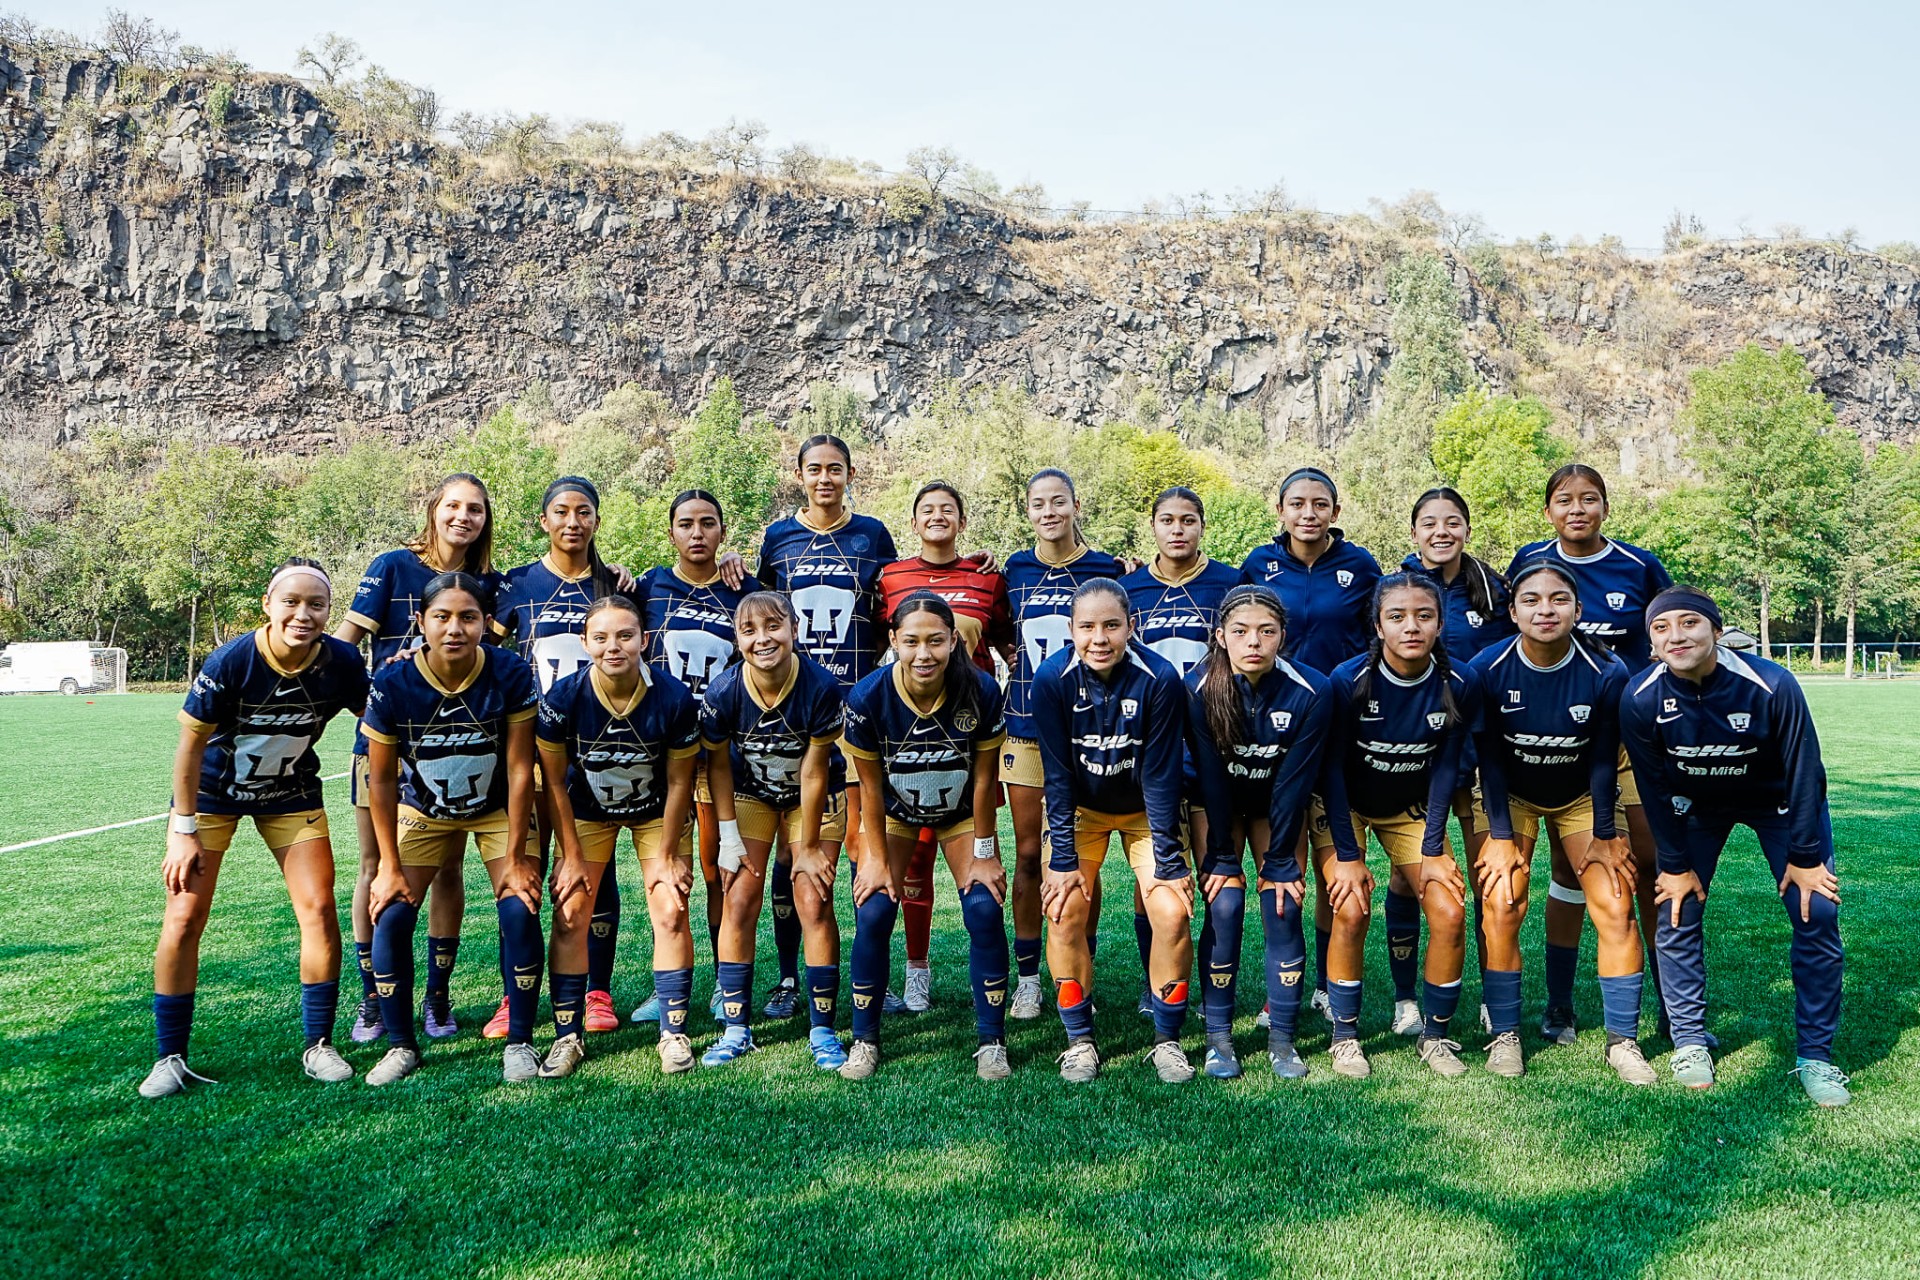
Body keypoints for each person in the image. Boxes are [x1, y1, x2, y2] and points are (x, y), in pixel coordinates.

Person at [140, 560, 370, 1098]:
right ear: (268, 605)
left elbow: (378, 715)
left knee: (318, 909)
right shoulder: (233, 659)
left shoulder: (340, 661)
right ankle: (169, 1057)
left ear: (329, 611)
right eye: (291, 602)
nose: (303, 614)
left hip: (289, 795)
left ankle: (319, 1045)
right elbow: (190, 747)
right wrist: (181, 829)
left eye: (316, 604)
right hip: (212, 796)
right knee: (184, 916)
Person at [1621, 586, 1850, 1106]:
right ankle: (1689, 1042)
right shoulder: (1639, 696)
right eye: (1661, 628)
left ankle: (1816, 1056)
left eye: (1690, 623)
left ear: (1717, 632)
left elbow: (1805, 771)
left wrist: (1805, 857)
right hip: (1697, 808)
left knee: (1815, 909)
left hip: (1778, 804)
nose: (1676, 636)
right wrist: (1673, 864)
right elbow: (1652, 788)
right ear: (1651, 641)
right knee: (1676, 907)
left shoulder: (1772, 683)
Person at [1467, 560, 1653, 1084]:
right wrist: (1500, 837)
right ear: (1512, 611)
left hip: (1581, 794)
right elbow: (1490, 760)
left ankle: (1623, 1041)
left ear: (1578, 609)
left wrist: (1605, 833)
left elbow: (1603, 758)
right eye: (1531, 600)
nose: (1544, 610)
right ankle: (1506, 1034)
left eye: (1558, 600)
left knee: (1616, 902)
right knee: (1502, 899)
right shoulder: (1486, 667)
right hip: (1509, 795)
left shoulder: (1607, 670)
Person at [1510, 464, 1674, 1045]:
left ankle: (1671, 1003)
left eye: (1589, 499)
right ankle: (1559, 1006)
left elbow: (1668, 630)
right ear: (1548, 510)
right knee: (1567, 871)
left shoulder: (1638, 565)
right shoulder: (1530, 560)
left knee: (1644, 865)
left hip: (1627, 738)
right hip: (1559, 738)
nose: (1576, 509)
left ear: (1606, 506)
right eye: (1564, 499)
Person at [335, 474, 498, 1045]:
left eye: (475, 509)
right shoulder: (392, 566)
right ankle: (374, 997)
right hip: (384, 751)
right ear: (433, 510)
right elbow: (342, 647)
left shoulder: (487, 583)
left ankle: (437, 995)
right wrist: (373, 706)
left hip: (452, 751)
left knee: (449, 869)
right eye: (453, 505)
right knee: (375, 867)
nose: (463, 517)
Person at [361, 572, 542, 1086]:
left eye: (468, 617)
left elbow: (519, 769)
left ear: (486, 623)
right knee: (392, 914)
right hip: (423, 810)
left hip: (497, 808)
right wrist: (388, 867)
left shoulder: (510, 671)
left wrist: (515, 857)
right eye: (442, 616)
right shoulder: (393, 681)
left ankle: (520, 1042)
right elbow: (381, 780)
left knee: (519, 906)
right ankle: (401, 1046)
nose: (455, 628)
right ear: (421, 622)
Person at [840, 592, 1012, 1080]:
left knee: (983, 906)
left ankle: (992, 1041)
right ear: (893, 640)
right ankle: (864, 1040)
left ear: (953, 641)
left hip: (960, 813)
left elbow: (985, 779)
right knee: (874, 909)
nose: (924, 653)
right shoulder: (867, 697)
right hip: (894, 813)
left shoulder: (980, 689)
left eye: (935, 641)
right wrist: (875, 859)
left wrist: (984, 853)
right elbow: (869, 789)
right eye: (912, 641)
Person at [754, 434, 897, 1018]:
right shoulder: (777, 538)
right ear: (799, 475)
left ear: (850, 474)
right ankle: (791, 977)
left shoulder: (873, 535)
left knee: (864, 845)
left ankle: (871, 974)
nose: (824, 479)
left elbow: (894, 605)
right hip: (793, 712)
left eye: (835, 469)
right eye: (814, 469)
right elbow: (759, 612)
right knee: (791, 852)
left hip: (855, 712)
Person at [1315, 572, 1479, 1080]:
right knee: (1351, 906)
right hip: (1344, 806)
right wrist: (1348, 855)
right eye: (1397, 616)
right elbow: (1330, 770)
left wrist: (1432, 848)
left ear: (1440, 624)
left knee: (1449, 911)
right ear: (1378, 625)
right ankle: (1345, 1036)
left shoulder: (1459, 682)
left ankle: (1435, 1035)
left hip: (1409, 807)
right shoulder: (1347, 681)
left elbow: (1446, 769)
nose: (1411, 626)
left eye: (1424, 616)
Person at [535, 595, 701, 1078]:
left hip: (656, 811)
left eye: (625, 636)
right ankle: (567, 1035)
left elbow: (680, 783)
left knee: (670, 907)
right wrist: (569, 855)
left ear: (644, 640)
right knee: (570, 912)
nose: (614, 646)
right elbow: (554, 782)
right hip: (587, 810)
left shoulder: (674, 697)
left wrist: (667, 855)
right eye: (602, 637)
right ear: (585, 643)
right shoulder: (562, 698)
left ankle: (673, 1031)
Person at [1238, 466, 1381, 1023]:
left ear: (1335, 513)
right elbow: (1237, 627)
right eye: (1297, 503)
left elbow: (1380, 632)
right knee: (1287, 861)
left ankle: (1323, 982)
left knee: (1332, 864)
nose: (1308, 513)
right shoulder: (1258, 564)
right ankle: (1284, 984)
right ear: (1280, 511)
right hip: (1275, 726)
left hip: (1339, 722)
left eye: (1320, 504)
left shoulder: (1360, 565)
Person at [1034, 579, 1191, 1084]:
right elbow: (1057, 775)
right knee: (1064, 911)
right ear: (1071, 630)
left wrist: (1169, 862)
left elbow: (1162, 775)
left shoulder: (1160, 677)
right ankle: (1080, 1041)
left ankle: (1167, 1041)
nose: (1099, 638)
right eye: (1087, 627)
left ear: (1131, 626)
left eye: (1111, 626)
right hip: (1082, 808)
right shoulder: (1051, 678)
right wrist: (1061, 861)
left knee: (1171, 912)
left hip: (1146, 810)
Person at [1185, 585, 1334, 1081]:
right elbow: (1210, 776)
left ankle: (1282, 1040)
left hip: (1276, 806)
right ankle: (1219, 1039)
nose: (1254, 642)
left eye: (1267, 632)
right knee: (1224, 905)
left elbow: (1294, 783)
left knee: (1282, 904)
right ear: (1220, 636)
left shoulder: (1311, 690)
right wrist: (1221, 855)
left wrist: (1281, 860)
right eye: (1241, 631)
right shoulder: (1196, 688)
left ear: (1282, 637)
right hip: (1219, 806)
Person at [875, 481, 1014, 1014]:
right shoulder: (889, 576)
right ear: (913, 522)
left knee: (978, 861)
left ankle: (1003, 984)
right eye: (927, 510)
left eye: (948, 509)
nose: (937, 516)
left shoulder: (988, 577)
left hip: (966, 734)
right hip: (906, 735)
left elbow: (1010, 643)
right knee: (913, 860)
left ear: (962, 520)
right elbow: (875, 643)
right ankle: (917, 970)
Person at [494, 476, 625, 1038]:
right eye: (562, 512)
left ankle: (596, 991)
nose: (574, 522)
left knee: (595, 875)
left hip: (594, 757)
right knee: (523, 872)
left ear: (596, 519)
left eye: (585, 512)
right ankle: (514, 995)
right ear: (544, 520)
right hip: (528, 753)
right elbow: (484, 652)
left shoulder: (615, 584)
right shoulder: (516, 584)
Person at [698, 591, 851, 1071]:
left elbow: (815, 769)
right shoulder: (724, 691)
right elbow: (717, 767)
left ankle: (822, 1029)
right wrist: (728, 837)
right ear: (736, 639)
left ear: (794, 630)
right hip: (751, 792)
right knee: (739, 896)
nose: (763, 639)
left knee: (812, 896)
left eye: (773, 626)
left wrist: (808, 847)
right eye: (749, 630)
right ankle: (736, 1027)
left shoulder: (821, 686)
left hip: (813, 794)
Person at [629, 489, 763, 1025]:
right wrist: (615, 571)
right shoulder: (650, 586)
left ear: (723, 532)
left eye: (708, 523)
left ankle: (721, 979)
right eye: (686, 524)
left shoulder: (742, 590)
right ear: (671, 534)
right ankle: (668, 980)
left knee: (715, 869)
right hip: (660, 749)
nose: (697, 533)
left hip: (719, 751)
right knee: (666, 867)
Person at [1001, 469, 1124, 1023]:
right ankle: (1029, 978)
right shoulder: (1013, 569)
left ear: (1076, 505)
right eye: (1038, 504)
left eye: (1058, 502)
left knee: (1080, 861)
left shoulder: (1107, 569)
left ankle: (1080, 962)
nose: (1048, 512)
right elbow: (1001, 633)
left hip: (1089, 731)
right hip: (1027, 730)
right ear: (1027, 511)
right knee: (1030, 855)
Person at [1393, 487, 1515, 1034]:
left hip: (1481, 753)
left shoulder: (1494, 590)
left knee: (1491, 880)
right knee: (1412, 878)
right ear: (1413, 532)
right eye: (1429, 523)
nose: (1440, 532)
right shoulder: (1394, 587)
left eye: (1452, 522)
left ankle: (1493, 997)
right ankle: (1405, 1000)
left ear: (1467, 528)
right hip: (1421, 755)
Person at [1120, 485, 1240, 1017]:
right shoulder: (1130, 588)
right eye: (1167, 519)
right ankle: (1155, 983)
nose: (1177, 529)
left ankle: (1214, 981)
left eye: (1188, 520)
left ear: (1201, 526)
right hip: (1152, 745)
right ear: (1152, 526)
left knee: (1214, 868)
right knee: (1156, 871)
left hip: (1212, 739)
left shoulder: (1229, 582)